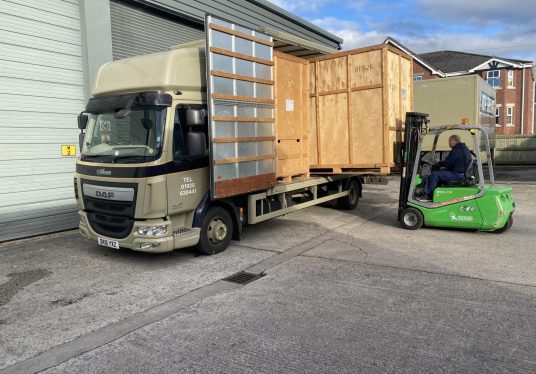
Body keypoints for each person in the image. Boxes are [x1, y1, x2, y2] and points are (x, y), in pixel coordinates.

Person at [416, 134, 472, 202]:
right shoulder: (464, 149)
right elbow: (453, 163)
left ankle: (428, 195)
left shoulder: (456, 150)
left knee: (434, 174)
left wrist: (439, 162)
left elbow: (447, 163)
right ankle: (432, 190)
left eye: (449, 141)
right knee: (436, 169)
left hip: (457, 174)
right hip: (460, 172)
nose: (449, 143)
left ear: (453, 141)